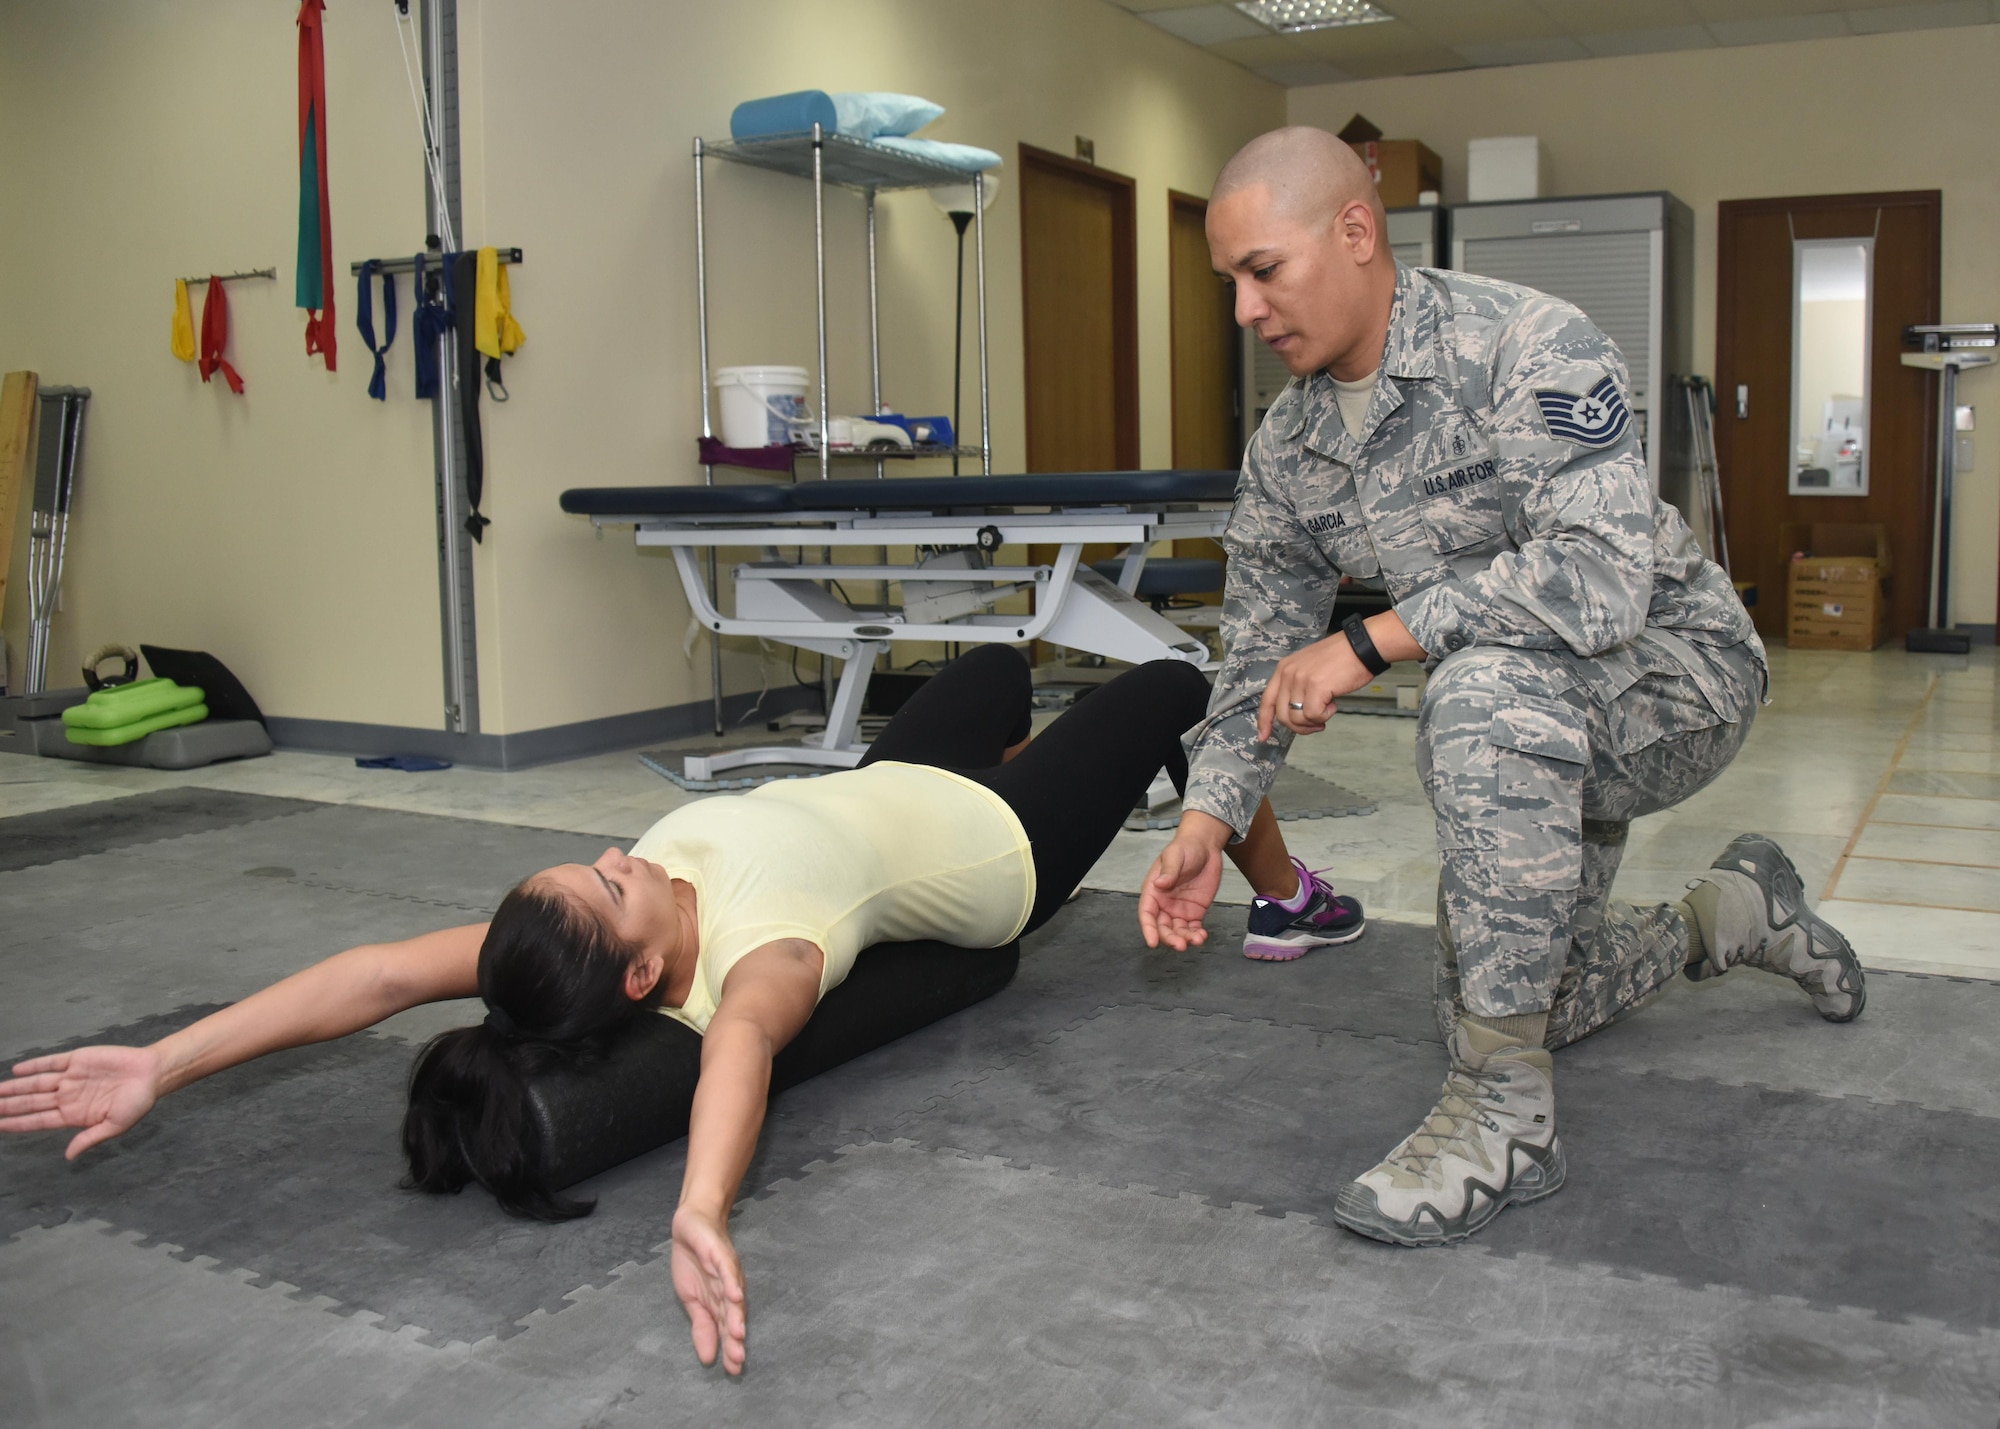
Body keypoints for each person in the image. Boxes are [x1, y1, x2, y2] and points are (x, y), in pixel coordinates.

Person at [0, 645, 1330, 1376]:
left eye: (600, 861)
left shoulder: (581, 937)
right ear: (640, 977)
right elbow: (741, 1055)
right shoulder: (761, 955)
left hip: (875, 793)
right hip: (1001, 852)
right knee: (1174, 687)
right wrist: (699, 1212)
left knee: (986, 665)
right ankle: (1284, 892)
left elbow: (381, 973)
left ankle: (1070, 754)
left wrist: (164, 1061)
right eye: (609, 882)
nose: (619, 855)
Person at [1138, 127, 1865, 1247]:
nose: (1243, 308)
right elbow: (1255, 657)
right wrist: (1207, 816)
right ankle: (1730, 912)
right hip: (1537, 710)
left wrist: (1374, 636)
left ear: (1353, 231)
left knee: (1472, 700)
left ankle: (1504, 1120)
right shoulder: (1286, 448)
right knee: (1511, 990)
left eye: (1261, 270)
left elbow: (1600, 579)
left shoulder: (1524, 343)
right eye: (1227, 281)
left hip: (1675, 675)